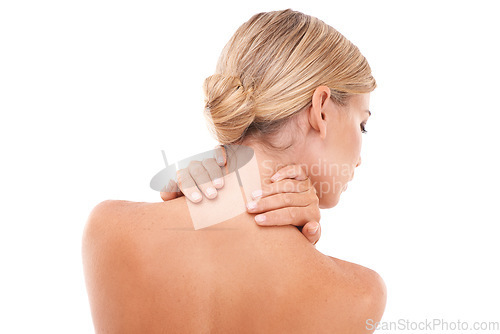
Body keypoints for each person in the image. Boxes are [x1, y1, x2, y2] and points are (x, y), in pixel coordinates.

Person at [82, 9, 386, 333]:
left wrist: (225, 172)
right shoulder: (360, 294)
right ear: (321, 110)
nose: (359, 159)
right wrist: (297, 254)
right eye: (362, 124)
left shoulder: (109, 228)